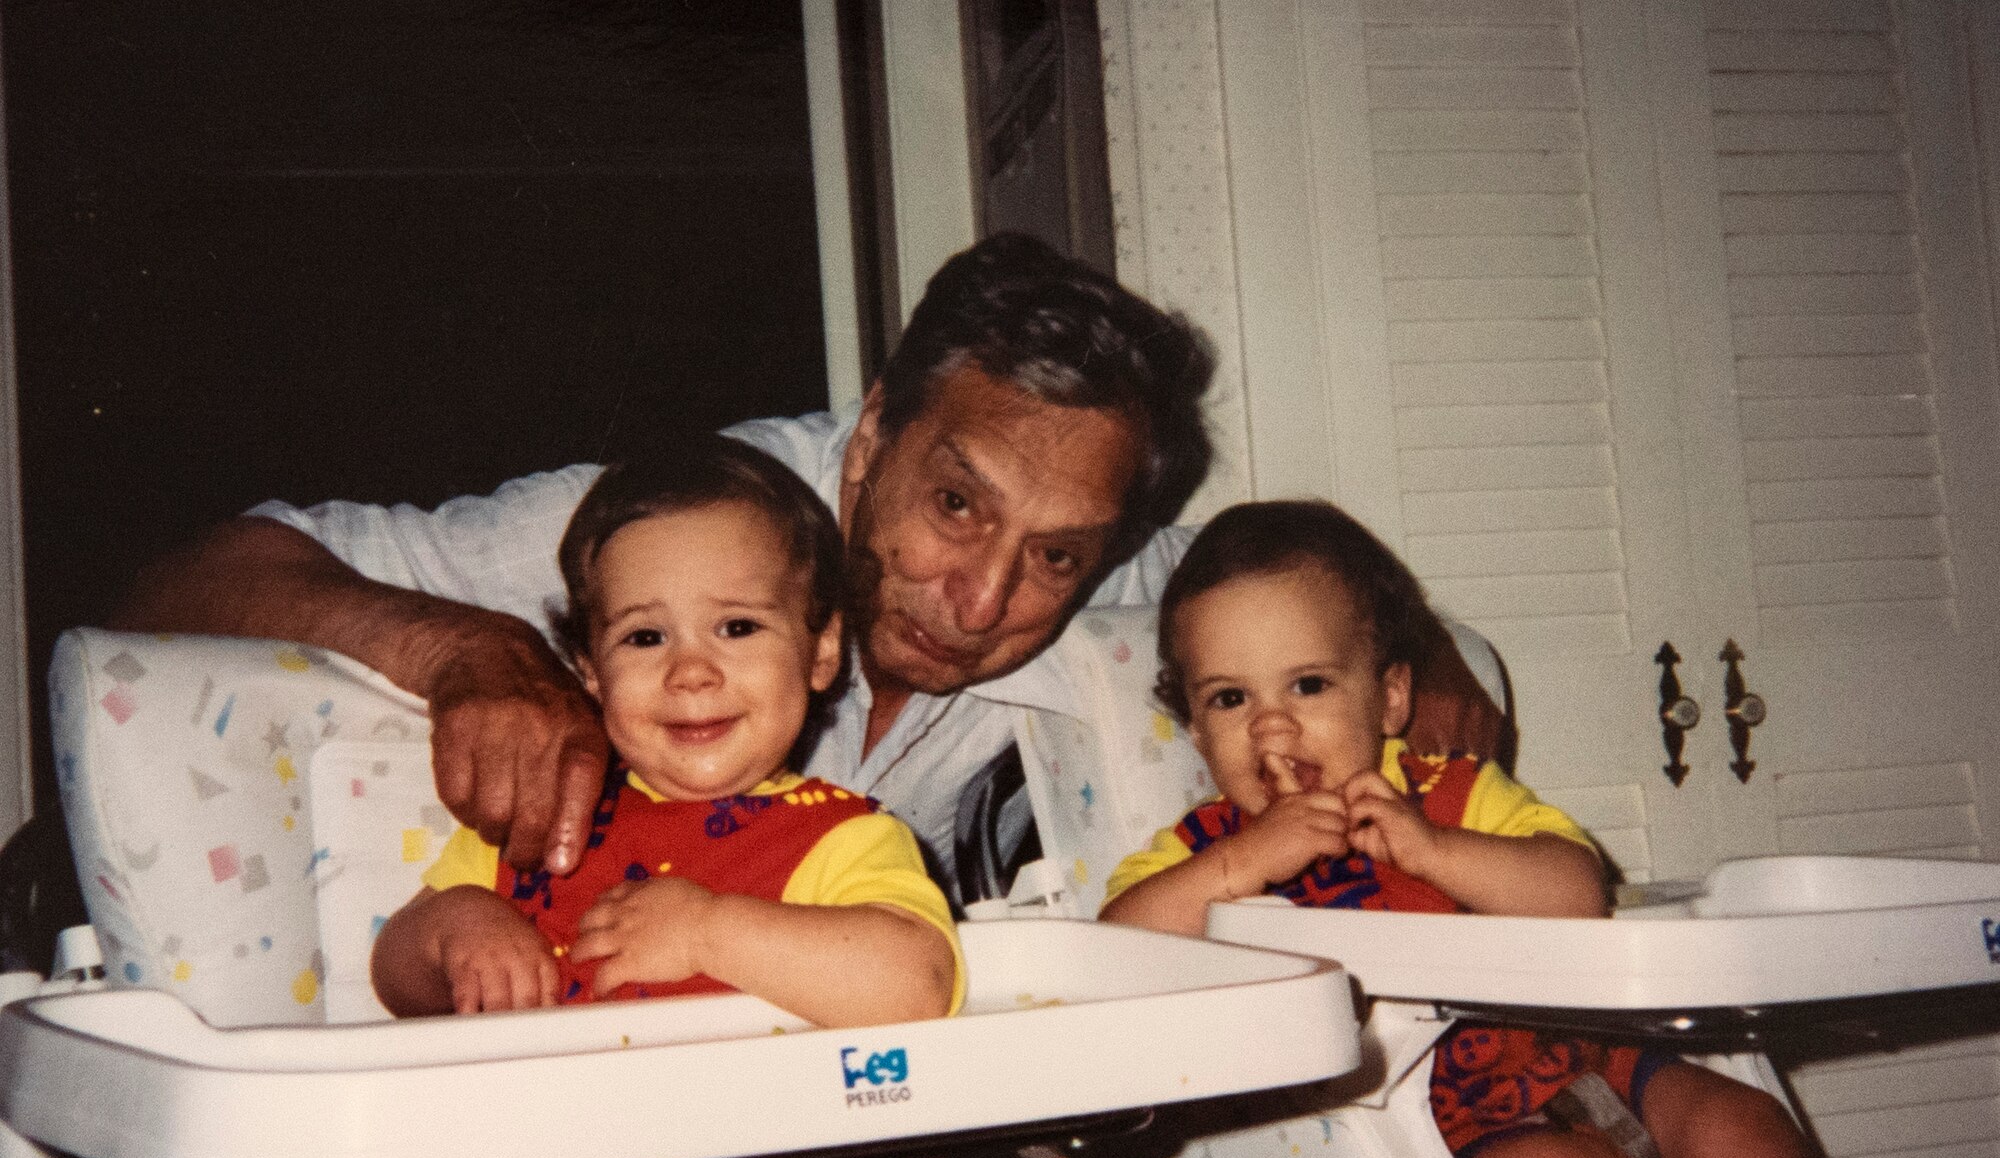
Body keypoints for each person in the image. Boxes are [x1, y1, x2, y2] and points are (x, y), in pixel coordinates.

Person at [113, 233, 1502, 897]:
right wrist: (469, 651)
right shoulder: (684, 522)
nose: (980, 603)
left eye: (1056, 557)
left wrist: (1423, 655)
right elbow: (174, 584)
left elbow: (1294, 576)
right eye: (955, 505)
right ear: (877, 428)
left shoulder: (1099, 573)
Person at [99, 442, 962, 1158]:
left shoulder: (838, 834)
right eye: (643, 638)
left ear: (818, 650)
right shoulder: (550, 820)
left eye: (735, 625)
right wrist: (454, 932)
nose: (689, 670)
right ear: (588, 670)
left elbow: (912, 981)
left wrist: (714, 930)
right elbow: (399, 967)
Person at [1099, 500, 1957, 1158]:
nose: (1272, 728)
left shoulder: (1454, 797)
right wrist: (1235, 867)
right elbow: (1115, 947)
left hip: (1583, 1071)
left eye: (1307, 685)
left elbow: (1576, 893)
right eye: (1230, 698)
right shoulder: (1201, 849)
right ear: (1192, 727)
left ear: (1389, 697)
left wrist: (1435, 851)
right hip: (1431, 1149)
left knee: (1746, 1125)